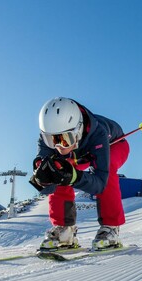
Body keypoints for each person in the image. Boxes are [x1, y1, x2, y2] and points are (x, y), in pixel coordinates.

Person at [30, 97, 130, 250]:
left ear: (78, 129)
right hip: (79, 152)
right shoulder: (50, 136)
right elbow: (48, 187)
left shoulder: (98, 133)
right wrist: (43, 179)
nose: (57, 146)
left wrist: (75, 177)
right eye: (51, 140)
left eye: (64, 139)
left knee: (108, 170)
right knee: (57, 169)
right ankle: (65, 230)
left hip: (114, 146)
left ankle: (111, 228)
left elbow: (100, 184)